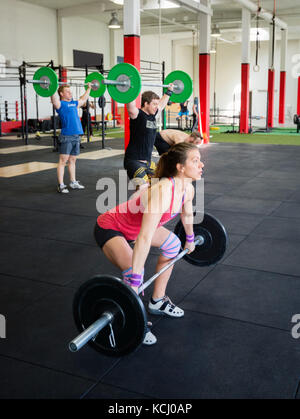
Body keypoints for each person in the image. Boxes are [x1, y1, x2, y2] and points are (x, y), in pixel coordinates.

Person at [94, 142, 204, 345]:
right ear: (180, 167)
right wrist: (136, 278)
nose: (201, 165)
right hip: (112, 227)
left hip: (135, 230)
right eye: (195, 161)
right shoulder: (163, 191)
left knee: (173, 245)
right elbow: (144, 237)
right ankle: (135, 321)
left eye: (200, 160)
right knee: (132, 271)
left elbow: (187, 214)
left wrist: (189, 238)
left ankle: (157, 301)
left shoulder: (187, 190)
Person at [123, 86, 174, 187]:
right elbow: (130, 106)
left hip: (148, 162)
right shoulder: (137, 115)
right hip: (134, 161)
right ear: (146, 104)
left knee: (161, 184)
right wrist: (131, 88)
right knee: (143, 189)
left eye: (156, 104)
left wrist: (169, 91)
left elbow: (162, 105)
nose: (156, 106)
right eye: (154, 104)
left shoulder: (153, 116)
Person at [51, 83, 91, 194]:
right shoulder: (60, 105)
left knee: (73, 160)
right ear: (61, 93)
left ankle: (73, 182)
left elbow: (83, 99)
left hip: (76, 136)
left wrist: (89, 88)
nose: (70, 93)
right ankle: (61, 185)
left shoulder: (74, 103)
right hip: (67, 136)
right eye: (68, 91)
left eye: (70, 91)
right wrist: (52, 87)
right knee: (63, 161)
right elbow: (54, 99)